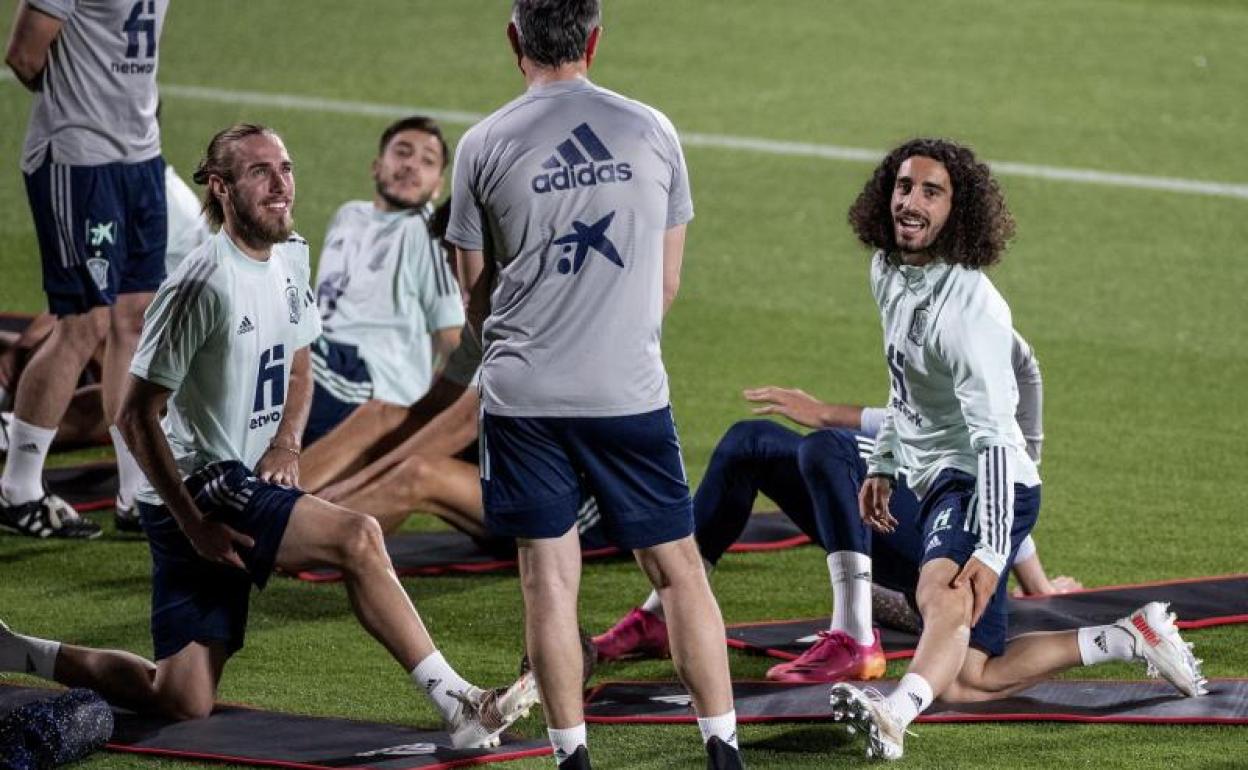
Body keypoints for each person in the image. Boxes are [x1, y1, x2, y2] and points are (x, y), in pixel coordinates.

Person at [0, 125, 534, 749]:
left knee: (180, 696)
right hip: (201, 485)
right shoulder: (201, 285)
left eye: (286, 168)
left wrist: (287, 444)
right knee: (358, 537)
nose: (281, 184)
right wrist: (193, 524)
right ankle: (462, 703)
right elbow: (133, 415)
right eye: (260, 172)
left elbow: (301, 366)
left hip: (235, 479)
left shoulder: (290, 254)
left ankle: (16, 650)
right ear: (221, 188)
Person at [826, 138, 1206, 761]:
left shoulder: (968, 312)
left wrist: (993, 547)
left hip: (985, 479)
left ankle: (893, 715)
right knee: (968, 679)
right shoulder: (888, 270)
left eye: (931, 192)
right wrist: (884, 459)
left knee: (940, 593)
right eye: (903, 186)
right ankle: (1130, 637)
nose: (910, 202)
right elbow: (904, 381)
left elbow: (996, 441)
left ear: (958, 211)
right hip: (940, 474)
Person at [448, 3, 743, 768]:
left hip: (524, 399)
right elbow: (667, 283)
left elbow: (474, 300)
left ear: (514, 40)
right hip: (628, 391)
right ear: (594, 40)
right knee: (679, 573)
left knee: (549, 584)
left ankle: (572, 759)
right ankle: (723, 752)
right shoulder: (652, 128)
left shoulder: (481, 144)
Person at [592, 341, 1084, 681]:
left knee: (831, 448)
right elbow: (897, 422)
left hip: (943, 557)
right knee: (749, 442)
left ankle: (855, 637)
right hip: (905, 528)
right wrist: (823, 410)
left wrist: (1036, 583)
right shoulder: (936, 325)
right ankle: (661, 614)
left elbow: (1009, 479)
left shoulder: (989, 351)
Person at [1, 0, 171, 539]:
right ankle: (18, 489)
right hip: (78, 159)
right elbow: (24, 55)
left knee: (136, 319)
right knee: (83, 324)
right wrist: (82, 100)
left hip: (141, 157)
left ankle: (134, 493)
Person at [301, 117, 463, 447]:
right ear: (376, 166)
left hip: (373, 383)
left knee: (284, 348)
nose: (411, 165)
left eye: (427, 161)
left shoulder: (426, 232)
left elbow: (453, 339)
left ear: (437, 186)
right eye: (402, 152)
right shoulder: (347, 215)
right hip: (327, 366)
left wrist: (422, 423)